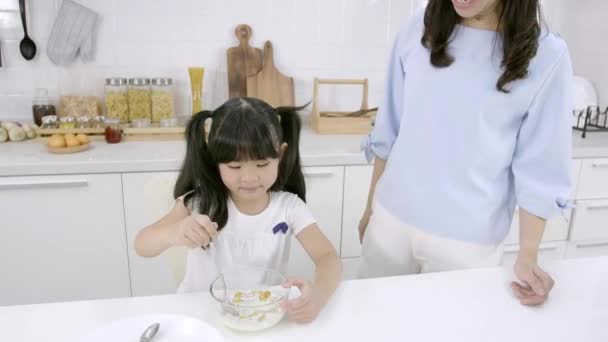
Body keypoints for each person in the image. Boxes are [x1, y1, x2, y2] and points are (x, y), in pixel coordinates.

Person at [359, 0, 572, 306]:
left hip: (466, 242)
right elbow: (388, 127)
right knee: (371, 321)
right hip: (391, 221)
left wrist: (528, 254)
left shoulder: (547, 55)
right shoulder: (419, 28)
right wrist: (371, 208)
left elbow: (541, 165)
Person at [135, 97, 342, 323]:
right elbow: (142, 244)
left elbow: (328, 257)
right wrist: (173, 233)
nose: (250, 178)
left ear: (280, 155)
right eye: (235, 166)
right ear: (216, 161)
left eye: (262, 164)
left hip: (259, 316)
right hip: (199, 317)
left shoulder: (289, 207)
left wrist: (318, 296)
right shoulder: (200, 203)